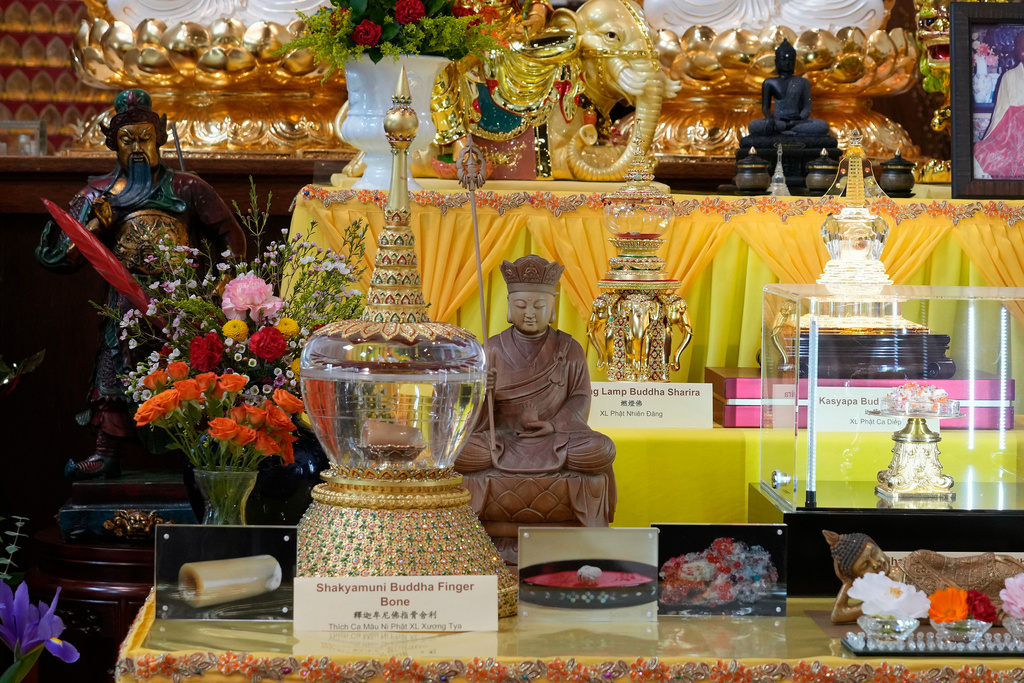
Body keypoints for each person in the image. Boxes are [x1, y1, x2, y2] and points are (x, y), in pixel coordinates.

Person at [36, 89, 245, 480]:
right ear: (112, 143)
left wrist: (224, 279)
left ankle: (204, 452)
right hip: (123, 301)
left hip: (182, 298)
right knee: (113, 373)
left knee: (192, 371)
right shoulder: (97, 193)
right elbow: (59, 257)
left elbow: (229, 234)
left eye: (144, 138)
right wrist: (96, 224)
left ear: (160, 138)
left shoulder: (187, 188)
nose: (136, 148)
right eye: (126, 140)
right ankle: (106, 452)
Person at [455, 255, 616, 556]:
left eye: (538, 306)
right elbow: (474, 414)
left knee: (602, 449)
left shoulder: (570, 348)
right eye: (521, 305)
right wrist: (482, 391)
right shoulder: (492, 348)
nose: (529, 314)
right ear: (509, 307)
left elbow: (580, 398)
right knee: (460, 452)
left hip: (555, 439)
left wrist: (553, 425)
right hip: (503, 440)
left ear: (552, 307)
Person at [824, 530, 1024, 623]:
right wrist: (847, 582)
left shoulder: (916, 559)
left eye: (874, 553)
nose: (876, 563)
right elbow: (838, 615)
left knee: (1015, 578)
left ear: (877, 545)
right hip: (970, 607)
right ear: (858, 576)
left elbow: (957, 563)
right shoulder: (881, 601)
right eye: (865, 566)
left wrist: (991, 558)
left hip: (985, 576)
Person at [747, 39, 831, 137]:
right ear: (776, 62)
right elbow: (765, 107)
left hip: (797, 122)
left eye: (790, 60)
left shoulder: (803, 82)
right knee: (753, 125)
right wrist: (769, 119)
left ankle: (784, 129)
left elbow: (807, 107)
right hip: (777, 121)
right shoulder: (769, 82)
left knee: (823, 126)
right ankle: (786, 128)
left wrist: (798, 119)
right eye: (783, 59)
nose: (787, 63)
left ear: (794, 62)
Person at [974, 32, 1024, 179]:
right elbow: (1000, 114)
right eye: (1021, 48)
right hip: (1014, 137)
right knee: (983, 153)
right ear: (1018, 51)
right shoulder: (1009, 77)